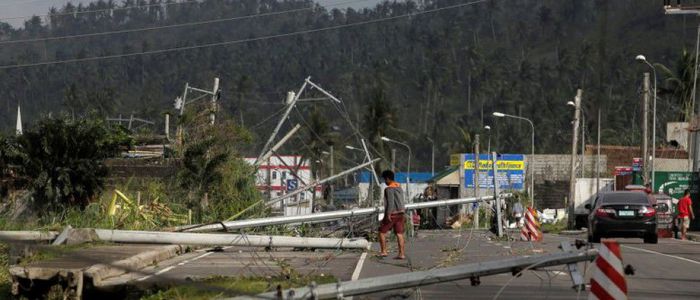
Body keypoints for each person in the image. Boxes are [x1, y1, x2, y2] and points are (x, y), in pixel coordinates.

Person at [378, 170, 406, 259]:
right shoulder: (399, 186)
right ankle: (401, 254)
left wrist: (388, 215)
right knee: (399, 233)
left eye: (385, 180)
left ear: (388, 178)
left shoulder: (389, 189)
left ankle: (383, 251)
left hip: (392, 214)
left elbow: (390, 202)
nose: (385, 182)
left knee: (382, 232)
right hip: (401, 213)